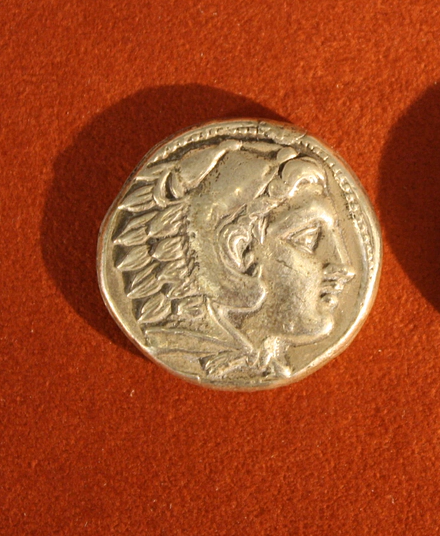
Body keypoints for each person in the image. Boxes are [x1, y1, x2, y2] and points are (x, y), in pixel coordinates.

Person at [112, 140, 354, 381]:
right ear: (232, 257)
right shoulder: (177, 345)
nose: (345, 267)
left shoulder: (256, 357)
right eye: (307, 238)